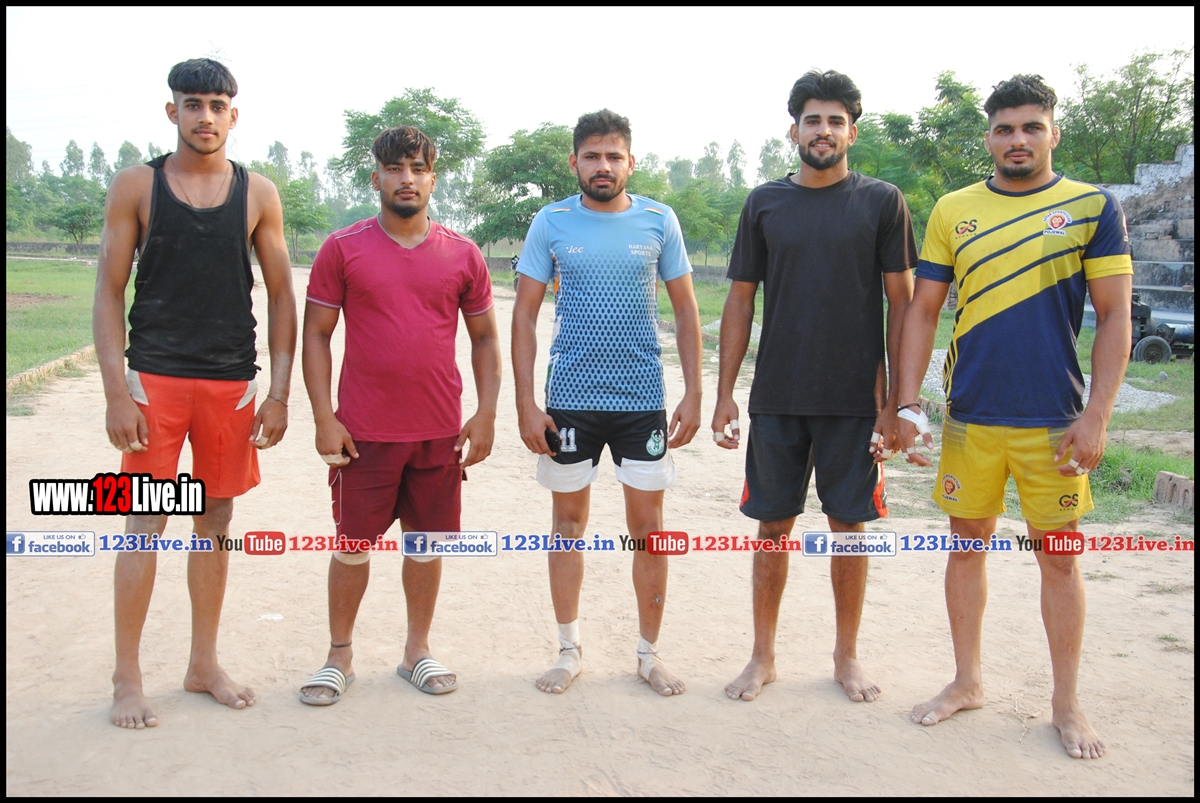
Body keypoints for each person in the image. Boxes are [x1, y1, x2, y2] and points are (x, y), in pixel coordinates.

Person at [895, 75, 1132, 760]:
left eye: (1031, 127)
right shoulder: (954, 209)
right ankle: (967, 681)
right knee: (965, 543)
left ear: (1054, 132)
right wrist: (909, 404)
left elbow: (1115, 314)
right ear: (989, 138)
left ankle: (1066, 702)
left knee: (1058, 557)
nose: (1018, 139)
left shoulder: (1092, 206)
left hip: (1054, 420)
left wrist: (1097, 415)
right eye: (1005, 129)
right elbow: (923, 310)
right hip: (971, 414)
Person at [93, 58, 297, 729]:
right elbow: (108, 291)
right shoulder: (138, 185)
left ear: (233, 114)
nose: (204, 117)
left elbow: (282, 296)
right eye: (192, 104)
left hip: (230, 385)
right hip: (154, 381)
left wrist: (278, 393)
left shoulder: (258, 193)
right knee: (142, 525)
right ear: (172, 111)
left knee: (214, 522)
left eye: (216, 105)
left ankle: (203, 663)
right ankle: (127, 678)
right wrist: (116, 393)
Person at [713, 70, 917, 703]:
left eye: (835, 121)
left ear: (851, 132)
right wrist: (724, 393)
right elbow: (740, 301)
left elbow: (903, 305)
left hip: (855, 402)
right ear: (793, 130)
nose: (823, 131)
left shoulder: (882, 202)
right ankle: (762, 656)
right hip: (778, 397)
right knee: (771, 528)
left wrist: (897, 403)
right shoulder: (764, 203)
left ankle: (846, 656)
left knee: (848, 527)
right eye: (812, 120)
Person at [298, 126, 501, 705]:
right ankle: (339, 656)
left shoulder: (462, 254)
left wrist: (486, 413)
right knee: (351, 546)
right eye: (394, 169)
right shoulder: (343, 248)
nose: (406, 179)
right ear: (376, 179)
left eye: (417, 168)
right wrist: (323, 416)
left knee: (426, 545)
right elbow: (317, 334)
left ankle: (417, 651)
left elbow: (485, 339)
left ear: (433, 179)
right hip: (363, 434)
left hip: (438, 432)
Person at [512, 109, 702, 696]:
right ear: (574, 162)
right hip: (569, 401)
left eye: (613, 156)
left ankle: (649, 654)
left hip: (641, 400)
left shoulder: (658, 220)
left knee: (649, 527)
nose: (603, 166)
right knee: (567, 524)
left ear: (631, 163)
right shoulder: (551, 222)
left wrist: (695, 392)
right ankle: (568, 651)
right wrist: (526, 402)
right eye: (592, 156)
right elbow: (523, 316)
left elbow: (686, 309)